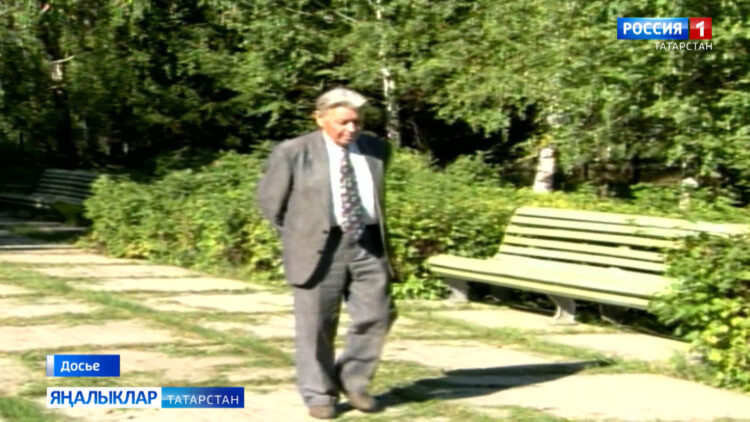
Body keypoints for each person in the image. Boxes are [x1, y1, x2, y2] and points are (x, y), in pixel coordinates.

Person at [256, 87, 396, 419]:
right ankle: (319, 393)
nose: (351, 129)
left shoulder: (377, 149)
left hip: (367, 243)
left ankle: (354, 380)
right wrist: (300, 237)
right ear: (320, 119)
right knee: (316, 324)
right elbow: (271, 204)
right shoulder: (293, 152)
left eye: (357, 122)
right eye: (343, 122)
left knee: (378, 314)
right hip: (318, 247)